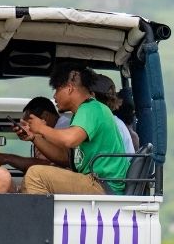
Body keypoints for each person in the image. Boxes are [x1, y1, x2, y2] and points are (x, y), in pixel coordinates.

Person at [18, 62, 130, 195]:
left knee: (35, 175)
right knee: (35, 173)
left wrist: (41, 128)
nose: (54, 96)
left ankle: (40, 210)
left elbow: (70, 139)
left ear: (69, 88)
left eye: (57, 89)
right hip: (96, 182)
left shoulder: (91, 108)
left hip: (103, 185)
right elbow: (65, 158)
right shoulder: (83, 113)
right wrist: (34, 137)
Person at [0, 96, 69, 172]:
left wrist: (7, 158)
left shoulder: (65, 128)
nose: (28, 128)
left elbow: (49, 165)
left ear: (45, 116)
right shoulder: (44, 134)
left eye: (30, 123)